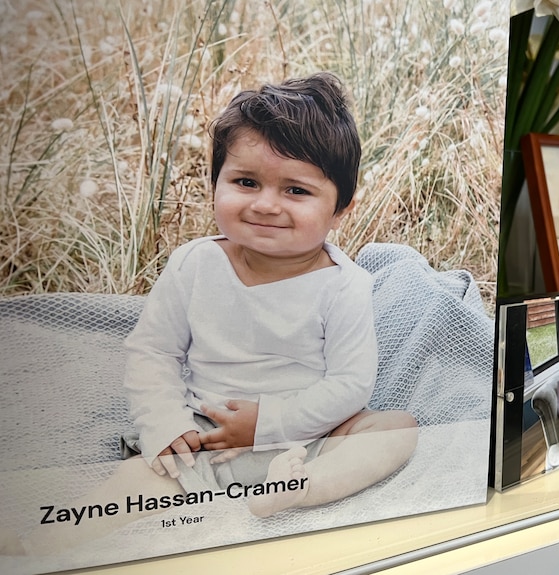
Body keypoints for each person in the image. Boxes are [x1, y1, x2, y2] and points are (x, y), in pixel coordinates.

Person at [7, 72, 418, 554]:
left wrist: (269, 424)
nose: (266, 204)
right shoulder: (195, 264)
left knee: (395, 429)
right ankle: (40, 544)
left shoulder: (343, 285)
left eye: (296, 191)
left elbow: (350, 384)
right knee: (139, 477)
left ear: (340, 208)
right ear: (216, 184)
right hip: (208, 435)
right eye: (246, 182)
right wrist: (164, 424)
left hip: (309, 436)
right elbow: (153, 351)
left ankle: (300, 489)